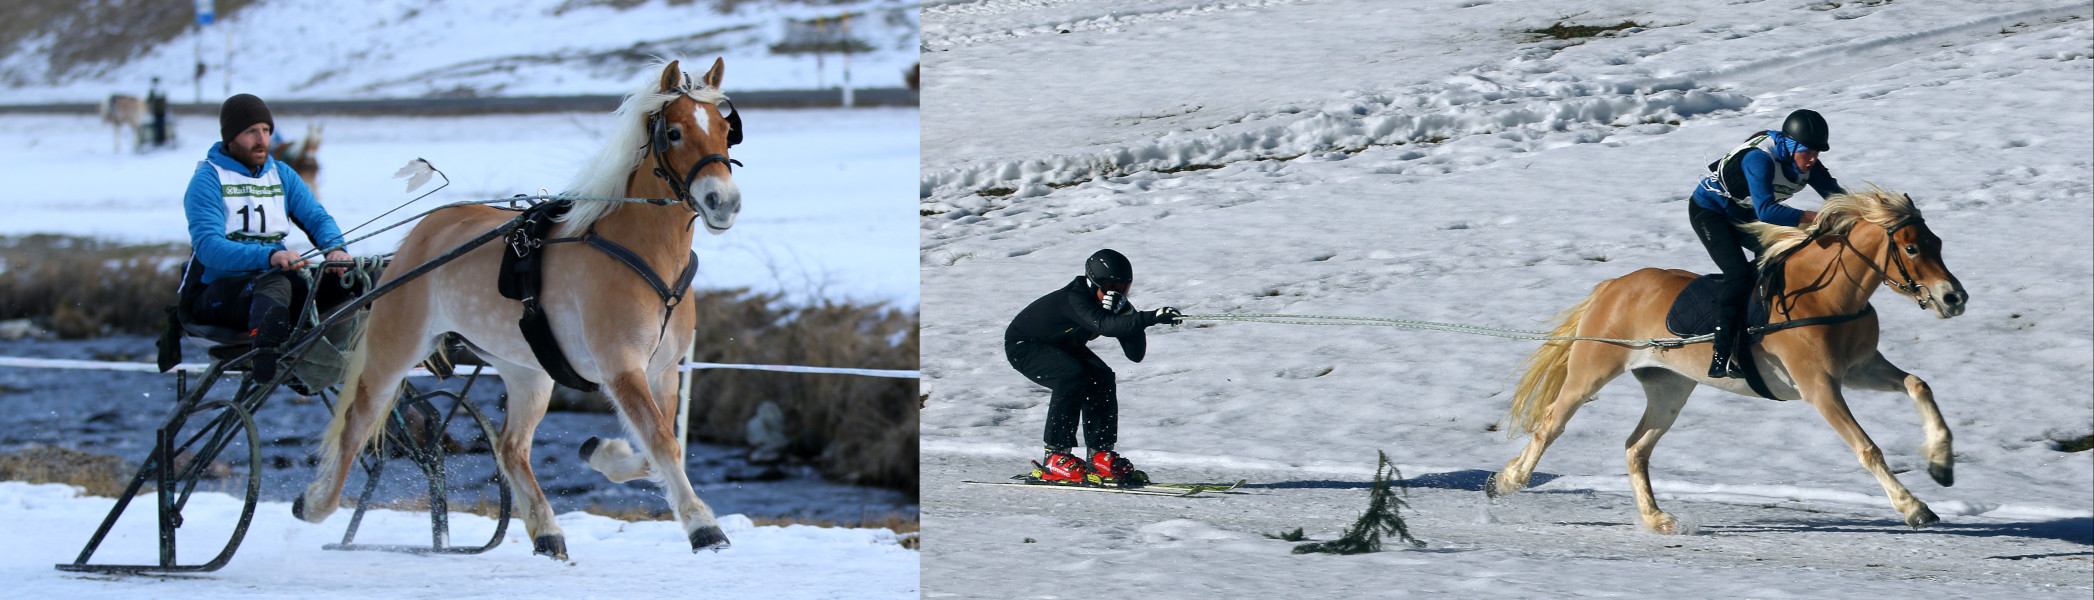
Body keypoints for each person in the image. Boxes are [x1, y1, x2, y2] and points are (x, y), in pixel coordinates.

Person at [180, 93, 348, 380]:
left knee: (359, 278)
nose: (261, 139)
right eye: (251, 132)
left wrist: (335, 249)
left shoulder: (281, 173)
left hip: (273, 282)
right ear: (231, 138)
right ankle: (264, 355)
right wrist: (270, 255)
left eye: (266, 130)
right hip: (220, 293)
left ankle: (411, 343)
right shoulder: (208, 179)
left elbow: (316, 218)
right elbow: (208, 247)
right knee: (275, 286)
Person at [1689, 109, 1847, 379]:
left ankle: (1770, 324)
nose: (1812, 160)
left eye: (1817, 154)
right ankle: (1722, 354)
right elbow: (1767, 212)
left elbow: (1838, 198)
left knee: (1785, 257)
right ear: (1790, 145)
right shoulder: (1759, 159)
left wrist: (1868, 215)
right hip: (1711, 213)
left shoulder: (1808, 163)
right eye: (1807, 153)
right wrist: (1818, 219)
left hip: (1743, 214)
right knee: (1738, 274)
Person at [1004, 249, 1183, 486]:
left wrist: (1129, 313)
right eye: (1109, 286)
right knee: (1071, 376)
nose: (1115, 292)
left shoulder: (1116, 304)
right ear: (1091, 282)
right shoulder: (1075, 297)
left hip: (1063, 346)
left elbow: (1135, 354)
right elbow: (1106, 326)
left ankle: (1099, 455)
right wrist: (1150, 317)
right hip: (1025, 346)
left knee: (1102, 377)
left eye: (1122, 287)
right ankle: (1055, 457)